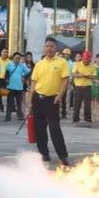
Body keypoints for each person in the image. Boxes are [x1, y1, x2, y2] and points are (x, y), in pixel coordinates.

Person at [28, 38, 70, 166]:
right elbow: (33, 83)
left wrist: (60, 96)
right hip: (38, 98)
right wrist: (30, 101)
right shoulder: (39, 64)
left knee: (54, 128)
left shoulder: (62, 62)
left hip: (52, 99)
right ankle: (44, 153)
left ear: (55, 48)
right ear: (44, 48)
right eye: (47, 46)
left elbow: (65, 80)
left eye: (51, 46)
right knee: (39, 128)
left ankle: (63, 155)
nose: (49, 48)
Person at [4, 52, 31, 122]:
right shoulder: (9, 64)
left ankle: (20, 116)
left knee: (19, 103)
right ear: (13, 58)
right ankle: (7, 117)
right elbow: (6, 74)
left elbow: (30, 72)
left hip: (19, 87)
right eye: (16, 58)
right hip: (10, 87)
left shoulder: (22, 66)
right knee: (9, 103)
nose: (18, 59)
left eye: (19, 58)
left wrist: (25, 78)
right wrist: (6, 80)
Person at [72, 51, 96, 123]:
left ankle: (87, 119)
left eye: (87, 59)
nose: (85, 60)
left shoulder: (92, 67)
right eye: (84, 59)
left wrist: (88, 76)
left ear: (90, 59)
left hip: (88, 87)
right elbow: (73, 74)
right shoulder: (77, 64)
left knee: (87, 105)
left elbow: (94, 76)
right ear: (82, 58)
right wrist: (80, 75)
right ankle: (76, 119)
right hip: (78, 87)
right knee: (77, 104)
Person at [60, 48, 74, 118]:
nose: (67, 55)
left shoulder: (71, 63)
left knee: (66, 98)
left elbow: (72, 73)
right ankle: (58, 112)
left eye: (68, 54)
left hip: (68, 82)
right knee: (59, 97)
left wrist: (70, 79)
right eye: (65, 54)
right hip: (60, 82)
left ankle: (65, 113)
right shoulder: (60, 62)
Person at [0, 48, 10, 113]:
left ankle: (9, 107)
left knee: (7, 93)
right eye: (4, 52)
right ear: (1, 53)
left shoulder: (9, 61)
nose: (5, 53)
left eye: (6, 52)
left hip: (6, 79)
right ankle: (1, 107)